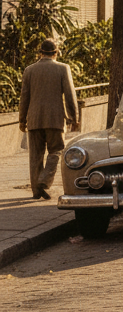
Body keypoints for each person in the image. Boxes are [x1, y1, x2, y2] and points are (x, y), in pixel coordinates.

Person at [18, 38, 79, 200]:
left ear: (40, 53)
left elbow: (24, 97)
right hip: (55, 119)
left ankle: (36, 191)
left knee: (35, 156)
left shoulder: (29, 70)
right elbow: (70, 95)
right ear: (56, 52)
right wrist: (74, 117)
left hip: (34, 119)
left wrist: (22, 119)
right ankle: (44, 181)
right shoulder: (63, 68)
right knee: (56, 150)